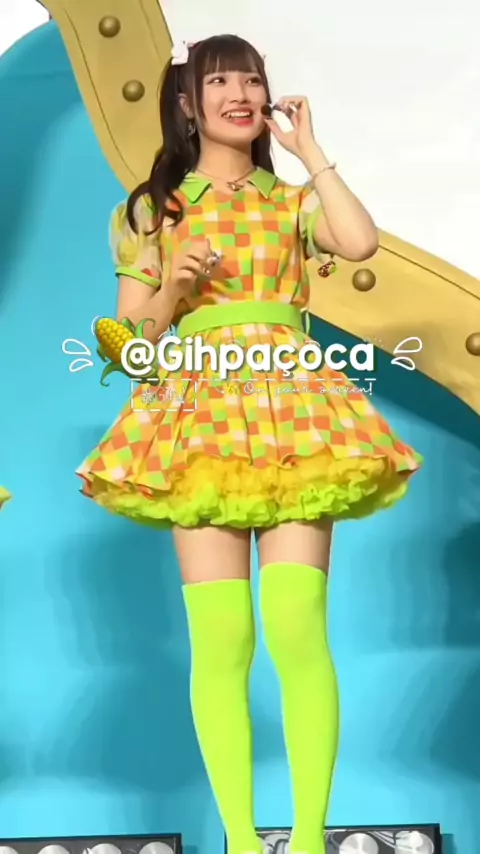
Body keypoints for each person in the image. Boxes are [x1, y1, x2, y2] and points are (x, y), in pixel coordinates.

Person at [77, 35, 422, 854]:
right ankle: (238, 840)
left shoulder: (290, 201)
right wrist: (174, 286)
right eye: (220, 80)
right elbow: (128, 348)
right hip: (199, 414)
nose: (241, 92)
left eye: (252, 79)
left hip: (296, 412)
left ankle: (306, 840)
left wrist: (312, 154)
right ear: (188, 103)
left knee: (298, 622)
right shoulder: (153, 209)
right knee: (223, 636)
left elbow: (359, 242)